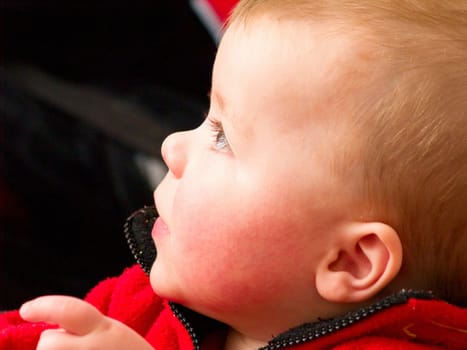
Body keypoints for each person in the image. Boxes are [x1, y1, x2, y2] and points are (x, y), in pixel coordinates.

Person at [1, 0, 467, 349]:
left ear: (349, 261)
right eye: (208, 117)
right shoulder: (161, 297)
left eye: (222, 136)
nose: (171, 145)